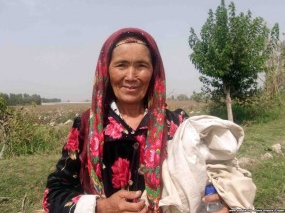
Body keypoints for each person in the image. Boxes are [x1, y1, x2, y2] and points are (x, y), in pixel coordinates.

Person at [43, 28, 230, 213]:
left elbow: (215, 176)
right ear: (106, 70)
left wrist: (222, 196)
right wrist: (101, 207)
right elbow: (53, 195)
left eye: (141, 65)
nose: (131, 76)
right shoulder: (86, 126)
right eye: (121, 65)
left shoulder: (178, 126)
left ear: (154, 71)